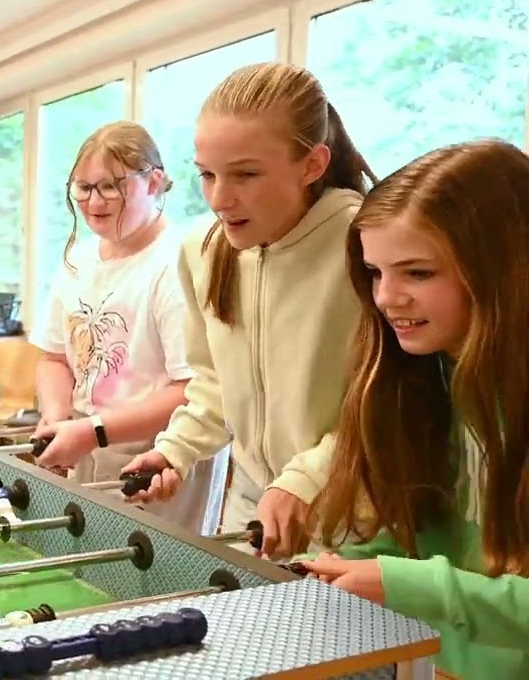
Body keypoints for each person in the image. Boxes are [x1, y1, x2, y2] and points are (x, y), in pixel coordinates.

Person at [121, 62, 376, 558]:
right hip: (254, 506)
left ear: (312, 164)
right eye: (207, 175)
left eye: (246, 174)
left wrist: (305, 479)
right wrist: (175, 449)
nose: (220, 198)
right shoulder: (203, 249)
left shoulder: (366, 245)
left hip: (354, 515)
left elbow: (389, 403)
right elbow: (214, 384)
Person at [302, 140, 529, 679]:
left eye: (418, 273)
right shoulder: (432, 375)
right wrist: (350, 568)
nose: (387, 298)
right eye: (376, 273)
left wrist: (405, 583)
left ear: (502, 268)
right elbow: (434, 533)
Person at [30, 120, 229, 536]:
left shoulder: (177, 262)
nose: (93, 201)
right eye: (82, 188)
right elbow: (53, 358)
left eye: (110, 186)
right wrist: (55, 419)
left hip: (160, 457)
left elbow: (193, 389)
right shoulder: (78, 260)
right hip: (84, 441)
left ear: (154, 182)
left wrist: (88, 432)